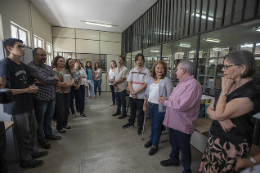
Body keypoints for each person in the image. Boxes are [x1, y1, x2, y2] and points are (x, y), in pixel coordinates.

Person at [199, 50, 260, 173]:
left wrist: (224, 92)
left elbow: (219, 113)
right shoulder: (228, 83)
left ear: (242, 67)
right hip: (215, 136)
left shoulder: (251, 92)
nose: (223, 70)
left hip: (232, 143)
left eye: (227, 66)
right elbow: (210, 109)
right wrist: (221, 119)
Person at [0, 38, 47, 168]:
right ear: (9, 48)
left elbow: (28, 82)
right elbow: (2, 89)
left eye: (23, 47)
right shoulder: (5, 64)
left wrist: (33, 87)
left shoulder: (23, 66)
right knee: (23, 134)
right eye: (19, 46)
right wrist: (26, 90)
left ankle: (32, 152)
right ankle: (25, 160)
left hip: (27, 102)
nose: (22, 49)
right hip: (16, 105)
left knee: (33, 129)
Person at [159, 60, 202, 173]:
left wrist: (166, 103)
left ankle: (187, 169)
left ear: (183, 70)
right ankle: (174, 160)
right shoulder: (181, 82)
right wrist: (167, 99)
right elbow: (176, 100)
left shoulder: (193, 85)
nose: (175, 71)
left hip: (182, 123)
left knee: (184, 147)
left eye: (177, 69)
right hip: (174, 121)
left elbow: (182, 105)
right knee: (174, 143)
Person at [27, 48, 61, 150]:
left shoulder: (47, 67)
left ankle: (49, 135)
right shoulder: (31, 66)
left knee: (49, 118)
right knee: (39, 121)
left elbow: (53, 79)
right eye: (41, 55)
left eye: (45, 55)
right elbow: (46, 79)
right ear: (34, 55)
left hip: (51, 96)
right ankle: (41, 139)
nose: (44, 57)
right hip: (40, 98)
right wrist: (50, 79)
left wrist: (48, 80)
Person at [143, 60, 173, 155]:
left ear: (164, 69)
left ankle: (154, 145)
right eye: (157, 67)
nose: (160, 70)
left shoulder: (166, 81)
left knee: (157, 127)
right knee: (152, 125)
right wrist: (144, 104)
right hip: (151, 106)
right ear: (154, 69)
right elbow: (147, 93)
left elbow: (171, 96)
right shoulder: (151, 79)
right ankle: (152, 140)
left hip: (160, 108)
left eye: (162, 68)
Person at [122, 54, 150, 135]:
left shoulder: (146, 71)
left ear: (143, 61)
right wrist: (132, 92)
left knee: (140, 113)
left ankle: (139, 127)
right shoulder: (132, 70)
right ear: (135, 61)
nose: (139, 61)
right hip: (132, 96)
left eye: (141, 59)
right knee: (132, 111)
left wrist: (135, 92)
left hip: (141, 97)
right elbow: (129, 81)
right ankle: (131, 123)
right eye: (138, 59)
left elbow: (145, 84)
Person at [52, 56, 74, 133]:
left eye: (63, 61)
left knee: (66, 109)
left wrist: (69, 84)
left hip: (67, 92)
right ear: (56, 62)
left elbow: (72, 79)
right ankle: (59, 126)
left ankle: (65, 124)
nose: (62, 62)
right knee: (60, 110)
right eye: (60, 61)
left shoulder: (66, 71)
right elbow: (57, 83)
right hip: (59, 93)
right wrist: (66, 83)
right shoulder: (54, 71)